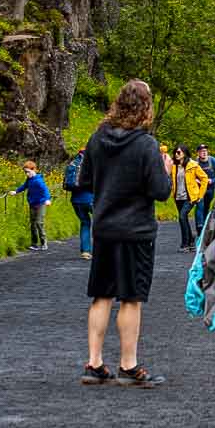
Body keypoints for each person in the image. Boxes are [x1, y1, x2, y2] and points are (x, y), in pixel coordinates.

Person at [79, 79, 172, 386]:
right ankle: (128, 365)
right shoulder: (146, 145)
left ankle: (94, 362)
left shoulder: (97, 139)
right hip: (136, 231)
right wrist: (166, 171)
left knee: (101, 295)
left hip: (104, 227)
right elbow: (160, 192)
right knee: (131, 298)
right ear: (146, 107)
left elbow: (86, 180)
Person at [170, 144, 209, 253]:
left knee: (182, 217)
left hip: (190, 197)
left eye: (179, 152)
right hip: (178, 196)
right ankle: (191, 241)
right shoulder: (174, 166)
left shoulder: (193, 165)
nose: (176, 155)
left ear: (185, 153)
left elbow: (204, 179)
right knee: (184, 218)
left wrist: (200, 195)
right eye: (175, 152)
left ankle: (185, 244)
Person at [9, 160, 52, 251]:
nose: (27, 174)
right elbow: (24, 186)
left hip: (41, 203)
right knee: (33, 224)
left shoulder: (39, 181)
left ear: (34, 170)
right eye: (25, 172)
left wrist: (47, 199)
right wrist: (16, 191)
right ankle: (34, 243)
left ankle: (44, 242)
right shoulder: (29, 179)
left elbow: (45, 190)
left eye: (28, 172)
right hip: (32, 203)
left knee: (39, 223)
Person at [62, 146, 93, 259]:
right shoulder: (92, 163)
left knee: (85, 223)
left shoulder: (73, 164)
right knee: (102, 224)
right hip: (91, 199)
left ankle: (85, 251)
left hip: (76, 201)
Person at [195, 144, 215, 231]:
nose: (204, 153)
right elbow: (191, 175)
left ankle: (205, 227)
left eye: (205, 151)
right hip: (199, 189)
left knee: (206, 207)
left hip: (210, 189)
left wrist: (212, 180)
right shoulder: (195, 162)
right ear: (198, 153)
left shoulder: (212, 161)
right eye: (201, 151)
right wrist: (197, 181)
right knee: (200, 206)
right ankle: (200, 227)